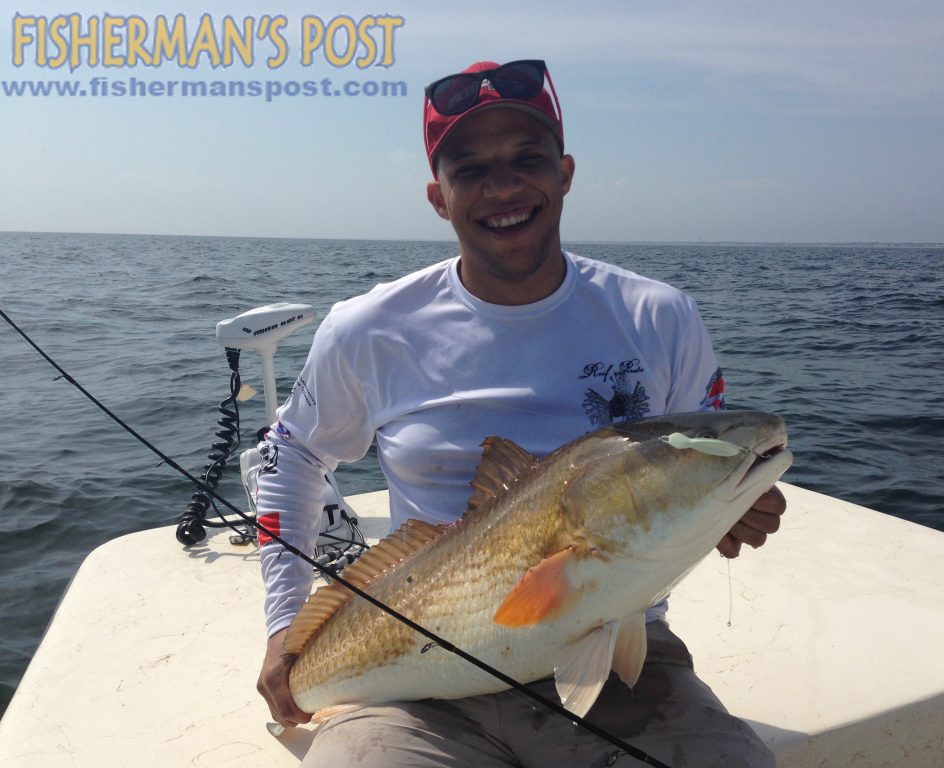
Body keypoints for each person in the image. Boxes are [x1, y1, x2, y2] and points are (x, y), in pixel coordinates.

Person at [256, 58, 785, 767]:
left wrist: (734, 513)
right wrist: (286, 626)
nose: (502, 187)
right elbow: (291, 453)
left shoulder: (658, 317)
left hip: (627, 656)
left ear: (564, 173)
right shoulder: (370, 328)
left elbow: (694, 466)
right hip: (415, 685)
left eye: (526, 159)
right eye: (470, 170)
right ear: (438, 197)